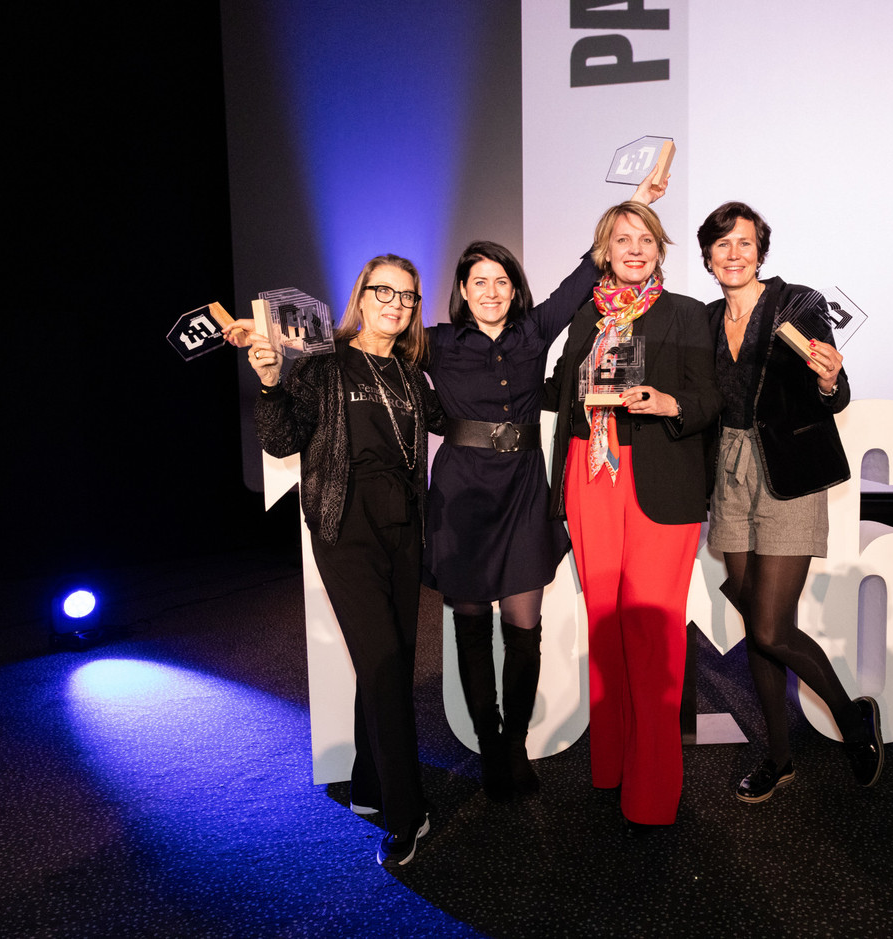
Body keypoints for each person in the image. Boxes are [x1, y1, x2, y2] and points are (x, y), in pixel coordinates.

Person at [424, 176, 668, 803]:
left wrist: (635, 202)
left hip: (525, 493)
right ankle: (488, 747)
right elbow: (368, 342)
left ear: (514, 289)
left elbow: (582, 277)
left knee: (523, 624)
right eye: (479, 281)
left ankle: (512, 746)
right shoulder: (438, 342)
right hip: (463, 498)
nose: (491, 291)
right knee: (471, 624)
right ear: (461, 291)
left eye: (501, 281)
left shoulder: (535, 333)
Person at [237, 255, 444, 868]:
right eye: (384, 291)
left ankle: (371, 783)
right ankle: (409, 815)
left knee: (394, 659)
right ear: (362, 294)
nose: (395, 304)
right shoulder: (323, 366)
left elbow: (443, 421)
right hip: (344, 528)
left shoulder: (410, 374)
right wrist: (271, 382)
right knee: (381, 662)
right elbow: (282, 439)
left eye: (407, 297)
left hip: (404, 529)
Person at [695, 201, 883, 801]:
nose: (734, 254)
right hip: (728, 473)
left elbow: (836, 391)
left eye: (745, 243)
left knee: (772, 627)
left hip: (788, 473)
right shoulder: (701, 320)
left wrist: (829, 378)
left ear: (761, 252)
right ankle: (779, 757)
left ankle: (851, 719)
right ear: (707, 257)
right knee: (758, 626)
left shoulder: (798, 304)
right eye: (723, 245)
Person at [543, 201, 721, 832]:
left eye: (645, 238)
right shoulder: (587, 314)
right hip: (589, 474)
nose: (635, 248)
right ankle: (610, 767)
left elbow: (710, 400)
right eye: (622, 239)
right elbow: (560, 388)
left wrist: (667, 401)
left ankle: (651, 793)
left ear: (661, 248)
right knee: (605, 626)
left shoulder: (689, 315)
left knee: (653, 635)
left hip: (659, 483)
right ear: (605, 249)